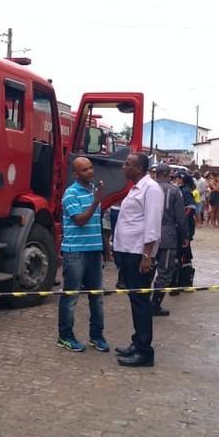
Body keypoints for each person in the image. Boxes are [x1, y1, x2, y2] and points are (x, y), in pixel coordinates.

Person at [113, 153, 164, 367]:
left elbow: (152, 224)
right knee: (135, 300)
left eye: (129, 164)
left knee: (141, 302)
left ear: (141, 169)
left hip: (138, 253)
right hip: (127, 251)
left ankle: (145, 352)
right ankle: (137, 342)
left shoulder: (151, 189)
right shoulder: (135, 188)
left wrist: (146, 256)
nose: (124, 167)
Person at [57, 157, 111, 353]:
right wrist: (95, 202)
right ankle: (65, 336)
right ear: (75, 174)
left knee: (96, 297)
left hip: (93, 251)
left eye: (90, 168)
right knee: (71, 297)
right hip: (75, 252)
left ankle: (96, 336)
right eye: (84, 169)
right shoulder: (70, 194)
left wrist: (105, 251)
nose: (90, 172)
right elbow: (79, 220)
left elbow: (96, 223)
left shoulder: (93, 190)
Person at [149, 164, 188, 314]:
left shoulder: (148, 188)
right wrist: (185, 236)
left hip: (149, 236)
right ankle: (155, 305)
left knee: (147, 270)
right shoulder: (174, 191)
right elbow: (181, 217)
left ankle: (144, 303)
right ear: (167, 174)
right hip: (167, 237)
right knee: (165, 272)